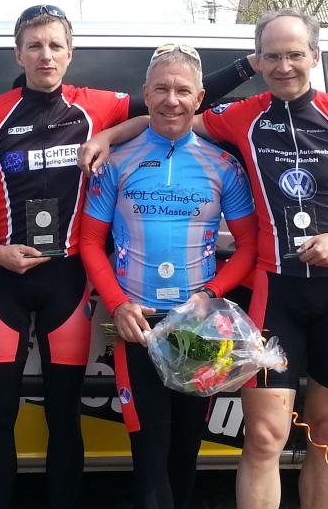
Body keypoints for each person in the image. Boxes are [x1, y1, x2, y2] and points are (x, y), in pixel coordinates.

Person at [77, 8, 328, 509]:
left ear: (314, 56)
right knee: (262, 436)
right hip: (275, 292)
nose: (284, 66)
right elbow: (171, 118)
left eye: (294, 54)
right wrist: (107, 136)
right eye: (272, 56)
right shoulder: (242, 115)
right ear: (258, 61)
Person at [0, 4, 256, 509]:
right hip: (3, 279)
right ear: (18, 53)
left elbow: (171, 105)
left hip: (69, 280)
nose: (45, 55)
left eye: (55, 45)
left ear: (70, 53)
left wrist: (250, 65)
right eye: (34, 45)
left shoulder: (98, 105)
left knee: (63, 414)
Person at [79, 44, 258, 509]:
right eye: (161, 89)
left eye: (182, 90)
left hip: (197, 327)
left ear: (199, 97)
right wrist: (118, 304)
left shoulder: (223, 166)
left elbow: (249, 247)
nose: (171, 100)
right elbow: (89, 242)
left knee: (185, 451)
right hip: (137, 326)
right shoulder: (116, 161)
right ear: (146, 93)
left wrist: (210, 295)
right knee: (149, 454)